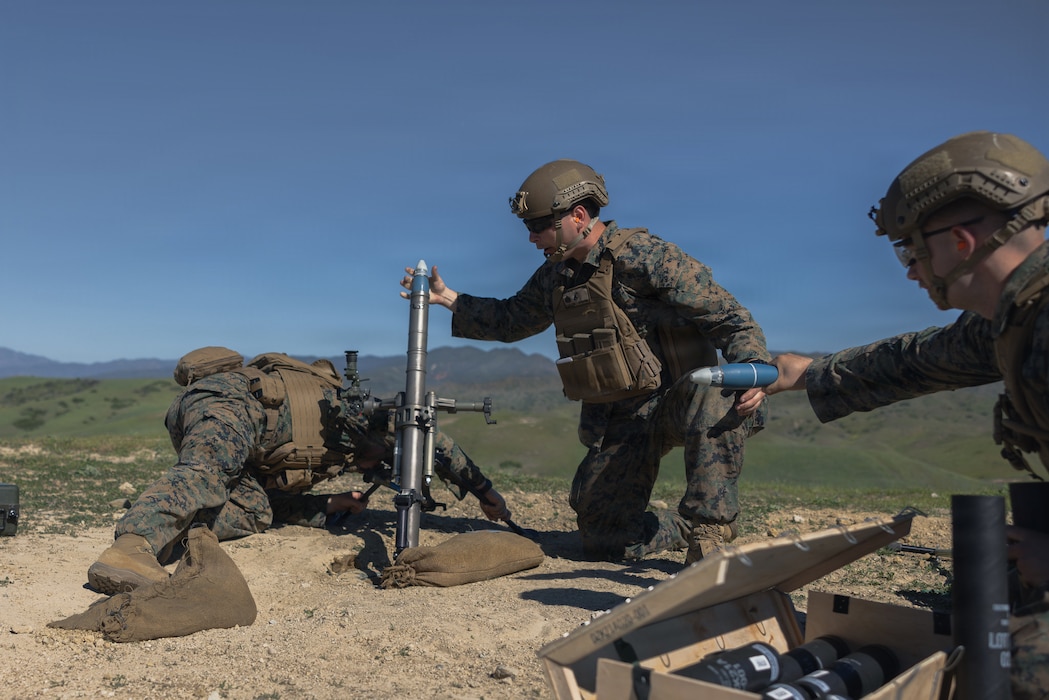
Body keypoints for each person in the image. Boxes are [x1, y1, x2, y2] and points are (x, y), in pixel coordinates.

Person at [764, 131, 1049, 697]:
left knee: (1019, 674)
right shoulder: (1017, 317)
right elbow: (919, 360)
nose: (911, 272)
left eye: (912, 251)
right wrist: (809, 374)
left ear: (962, 242)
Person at [401, 160, 769, 563]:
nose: (531, 238)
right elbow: (511, 319)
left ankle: (710, 532)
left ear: (577, 216)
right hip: (625, 416)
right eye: (528, 227)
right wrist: (448, 297)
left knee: (717, 387)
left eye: (539, 226)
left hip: (681, 402)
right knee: (605, 540)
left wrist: (752, 366)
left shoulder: (646, 257)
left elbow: (730, 317)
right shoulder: (555, 276)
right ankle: (679, 528)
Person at [87, 348, 510, 595]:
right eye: (381, 461)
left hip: (232, 427)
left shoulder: (341, 443)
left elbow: (275, 500)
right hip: (231, 404)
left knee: (254, 511)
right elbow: (434, 440)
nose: (372, 468)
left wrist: (327, 505)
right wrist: (485, 492)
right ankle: (132, 546)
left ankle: (169, 524)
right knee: (205, 474)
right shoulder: (360, 415)